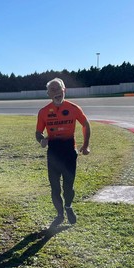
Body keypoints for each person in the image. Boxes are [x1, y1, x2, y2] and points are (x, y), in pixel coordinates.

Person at [36, 78, 90, 226]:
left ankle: (68, 206)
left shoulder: (73, 108)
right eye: (52, 90)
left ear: (64, 90)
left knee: (68, 186)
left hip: (69, 152)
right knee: (54, 187)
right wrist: (41, 140)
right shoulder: (43, 112)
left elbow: (85, 124)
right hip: (53, 153)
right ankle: (60, 214)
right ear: (48, 94)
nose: (56, 93)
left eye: (58, 89)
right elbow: (38, 133)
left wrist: (86, 145)